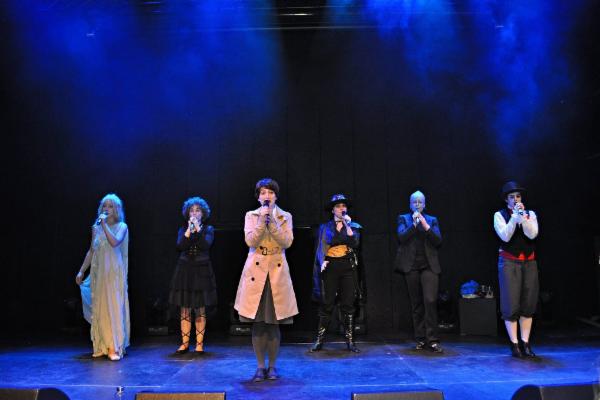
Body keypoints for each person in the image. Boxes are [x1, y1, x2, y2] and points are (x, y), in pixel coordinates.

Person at [234, 178, 298, 382]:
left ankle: (273, 367)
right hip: (257, 270)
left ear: (276, 196)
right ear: (258, 197)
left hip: (277, 271)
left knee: (273, 324)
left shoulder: (286, 216)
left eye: (270, 192)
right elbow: (250, 240)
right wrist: (262, 220)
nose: (267, 196)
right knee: (259, 323)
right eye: (263, 192)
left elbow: (287, 242)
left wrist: (274, 223)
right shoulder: (251, 215)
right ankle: (260, 366)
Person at [75, 193, 130, 361]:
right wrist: (81, 270)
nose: (107, 209)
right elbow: (92, 250)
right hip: (99, 273)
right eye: (104, 206)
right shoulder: (96, 227)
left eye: (110, 206)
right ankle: (101, 345)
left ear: (117, 209)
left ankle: (114, 347)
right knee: (100, 307)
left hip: (113, 272)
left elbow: (114, 242)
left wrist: (104, 225)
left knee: (112, 308)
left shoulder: (122, 226)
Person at [310, 194, 362, 353]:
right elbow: (321, 247)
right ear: (333, 210)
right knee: (327, 303)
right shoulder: (325, 227)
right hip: (330, 266)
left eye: (343, 206)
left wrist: (347, 225)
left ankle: (350, 341)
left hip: (347, 266)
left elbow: (355, 243)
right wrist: (323, 260)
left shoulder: (353, 226)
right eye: (338, 206)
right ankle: (319, 340)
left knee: (348, 304)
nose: (342, 209)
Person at [494, 181, 539, 358]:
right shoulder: (499, 215)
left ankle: (525, 343)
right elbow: (505, 236)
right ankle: (514, 344)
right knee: (510, 303)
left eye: (518, 196)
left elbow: (532, 234)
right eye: (512, 197)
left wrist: (523, 218)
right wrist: (514, 218)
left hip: (529, 262)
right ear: (506, 200)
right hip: (509, 262)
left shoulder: (530, 214)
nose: (515, 199)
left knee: (528, 302)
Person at [394, 190, 443, 353]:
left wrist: (425, 225)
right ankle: (421, 339)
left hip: (429, 266)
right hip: (411, 266)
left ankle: (432, 340)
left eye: (420, 202)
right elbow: (401, 237)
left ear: (424, 204)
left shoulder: (432, 220)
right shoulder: (403, 219)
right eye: (414, 202)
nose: (417, 205)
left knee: (430, 300)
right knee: (416, 304)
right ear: (410, 205)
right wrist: (414, 224)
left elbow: (438, 241)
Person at [168, 197, 217, 354]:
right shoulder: (183, 229)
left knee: (200, 308)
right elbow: (180, 246)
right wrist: (189, 230)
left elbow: (205, 245)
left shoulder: (208, 229)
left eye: (197, 210)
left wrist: (197, 229)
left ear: (203, 213)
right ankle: (185, 343)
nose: (194, 213)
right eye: (192, 210)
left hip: (201, 270)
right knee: (185, 308)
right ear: (187, 213)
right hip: (185, 270)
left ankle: (199, 344)